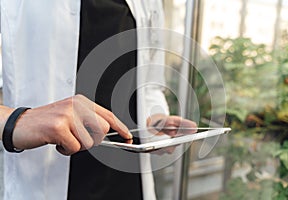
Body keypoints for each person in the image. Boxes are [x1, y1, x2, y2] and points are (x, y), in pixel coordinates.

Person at [0, 0, 197, 199]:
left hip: (127, 184)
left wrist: (154, 124)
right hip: (44, 181)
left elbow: (149, 83)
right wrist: (14, 121)